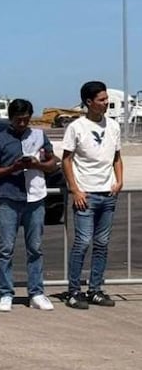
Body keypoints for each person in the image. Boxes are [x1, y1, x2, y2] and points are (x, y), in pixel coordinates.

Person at [0, 99, 58, 312]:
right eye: (19, 120)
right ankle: (6, 293)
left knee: (35, 248)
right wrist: (12, 168)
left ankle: (36, 292)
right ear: (11, 119)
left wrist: (38, 165)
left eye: (26, 119)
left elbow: (52, 163)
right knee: (5, 249)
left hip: (35, 197)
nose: (23, 123)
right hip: (8, 198)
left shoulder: (39, 136)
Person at [61, 81, 123, 309]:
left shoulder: (113, 126)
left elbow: (117, 157)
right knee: (83, 242)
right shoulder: (76, 127)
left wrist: (119, 181)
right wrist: (75, 189)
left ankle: (95, 289)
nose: (106, 103)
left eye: (107, 99)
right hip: (85, 195)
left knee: (102, 243)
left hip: (107, 194)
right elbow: (66, 159)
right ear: (89, 102)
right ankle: (74, 291)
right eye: (102, 100)